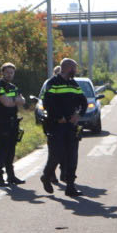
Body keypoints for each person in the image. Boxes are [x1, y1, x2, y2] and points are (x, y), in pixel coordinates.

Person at [40, 58, 90, 197]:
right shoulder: (52, 83)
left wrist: (78, 115)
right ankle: (46, 176)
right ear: (68, 68)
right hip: (56, 126)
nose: (76, 71)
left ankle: (70, 187)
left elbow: (83, 102)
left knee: (71, 157)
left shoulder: (74, 84)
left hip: (71, 126)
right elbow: (47, 103)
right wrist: (58, 117)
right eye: (75, 68)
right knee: (56, 156)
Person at [0, 63, 25, 185]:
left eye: (12, 72)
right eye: (7, 72)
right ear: (2, 72)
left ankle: (11, 177)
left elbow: (23, 100)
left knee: (11, 151)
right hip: (3, 122)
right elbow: (6, 103)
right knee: (2, 150)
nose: (9, 74)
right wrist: (15, 101)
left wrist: (13, 101)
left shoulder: (13, 87)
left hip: (13, 122)